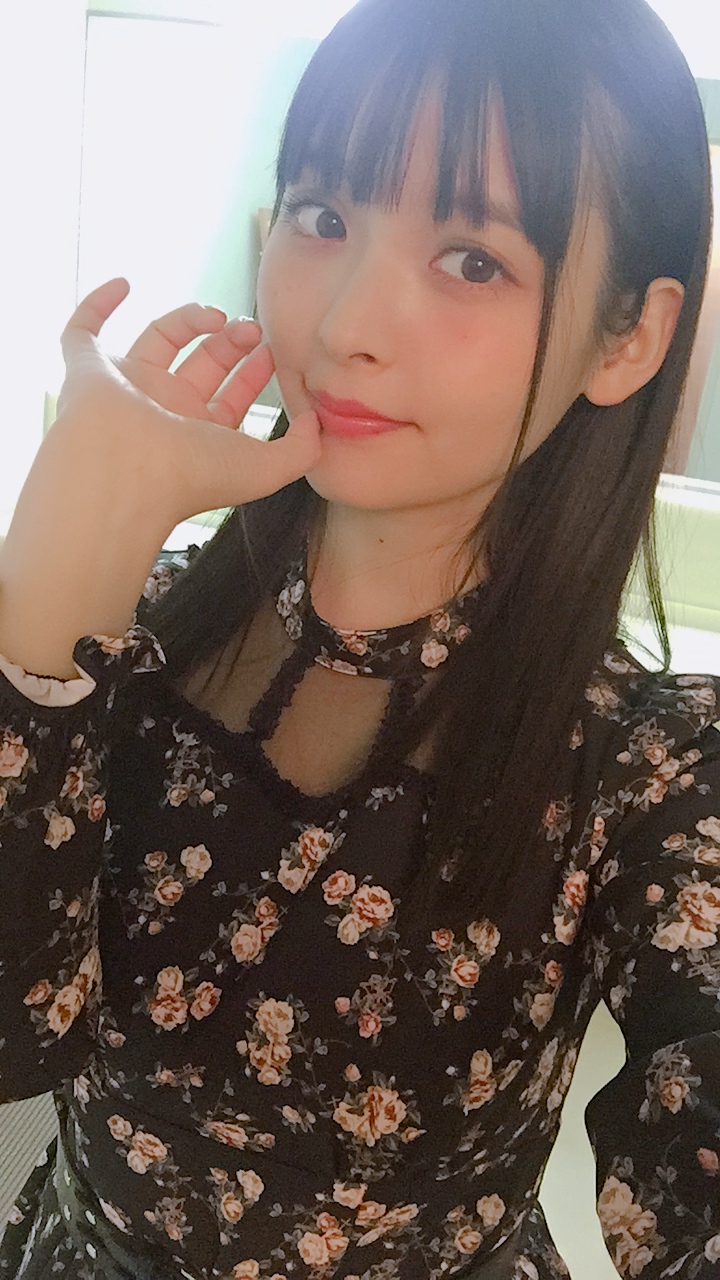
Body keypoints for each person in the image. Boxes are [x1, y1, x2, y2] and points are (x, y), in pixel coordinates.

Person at [0, 0, 718, 1276]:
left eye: (473, 259)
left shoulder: (646, 768)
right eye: (324, 215)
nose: (344, 325)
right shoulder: (123, 630)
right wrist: (57, 557)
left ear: (629, 337)